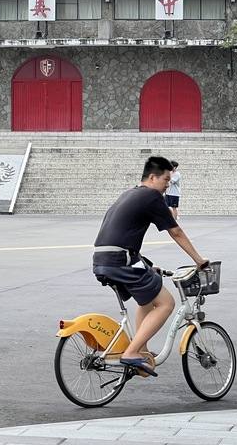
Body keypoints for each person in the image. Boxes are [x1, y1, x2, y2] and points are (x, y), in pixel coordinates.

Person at [92, 156, 209, 377]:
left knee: (146, 297)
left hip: (103, 258)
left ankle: (141, 350)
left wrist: (147, 265)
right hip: (120, 260)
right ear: (152, 177)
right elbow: (175, 231)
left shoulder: (129, 193)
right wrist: (198, 259)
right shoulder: (151, 196)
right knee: (167, 303)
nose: (167, 185)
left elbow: (120, 235)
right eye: (165, 179)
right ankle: (132, 352)